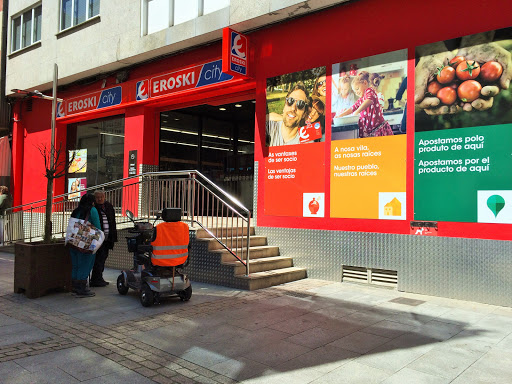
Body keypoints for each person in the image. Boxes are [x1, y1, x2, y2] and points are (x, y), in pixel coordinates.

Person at [336, 71, 393, 138]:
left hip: (380, 130)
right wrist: (340, 115)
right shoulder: (361, 99)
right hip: (372, 132)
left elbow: (369, 100)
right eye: (355, 91)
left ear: (365, 83)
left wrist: (357, 111)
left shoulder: (370, 91)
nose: (356, 92)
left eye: (357, 89)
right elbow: (352, 108)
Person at [69, 193, 101, 298]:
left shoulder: (76, 210)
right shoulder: (92, 210)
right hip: (85, 243)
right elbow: (97, 227)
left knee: (76, 265)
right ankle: (82, 289)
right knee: (86, 264)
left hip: (73, 241)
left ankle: (74, 287)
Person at [90, 190, 117, 287]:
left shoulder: (108, 206)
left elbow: (112, 222)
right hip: (97, 239)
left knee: (103, 258)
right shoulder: (93, 208)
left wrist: (113, 237)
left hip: (107, 238)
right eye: (98, 197)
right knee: (98, 259)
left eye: (101, 197)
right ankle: (95, 279)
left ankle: (99, 278)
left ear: (104, 196)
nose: (100, 199)